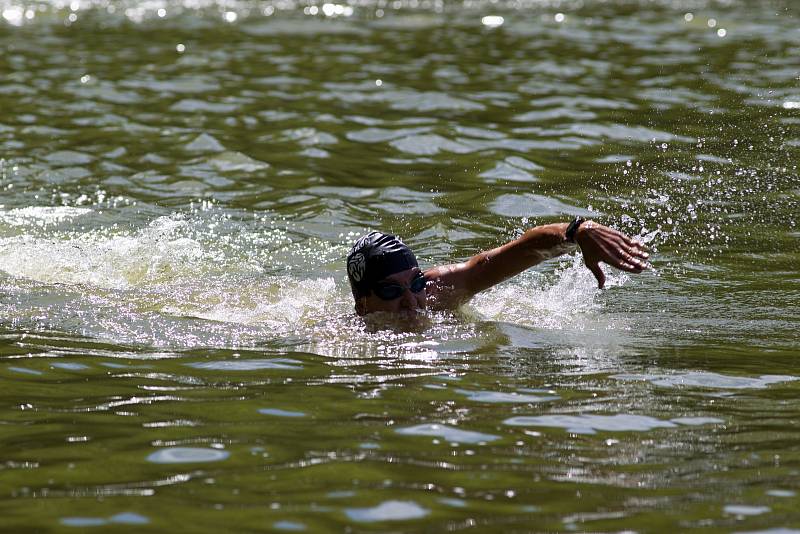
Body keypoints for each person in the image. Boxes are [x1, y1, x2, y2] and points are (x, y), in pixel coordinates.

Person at [346, 217, 649, 316]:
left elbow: (520, 250)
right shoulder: (343, 339)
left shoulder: (441, 291)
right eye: (390, 291)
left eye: (416, 283)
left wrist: (576, 232)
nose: (412, 301)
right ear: (362, 306)